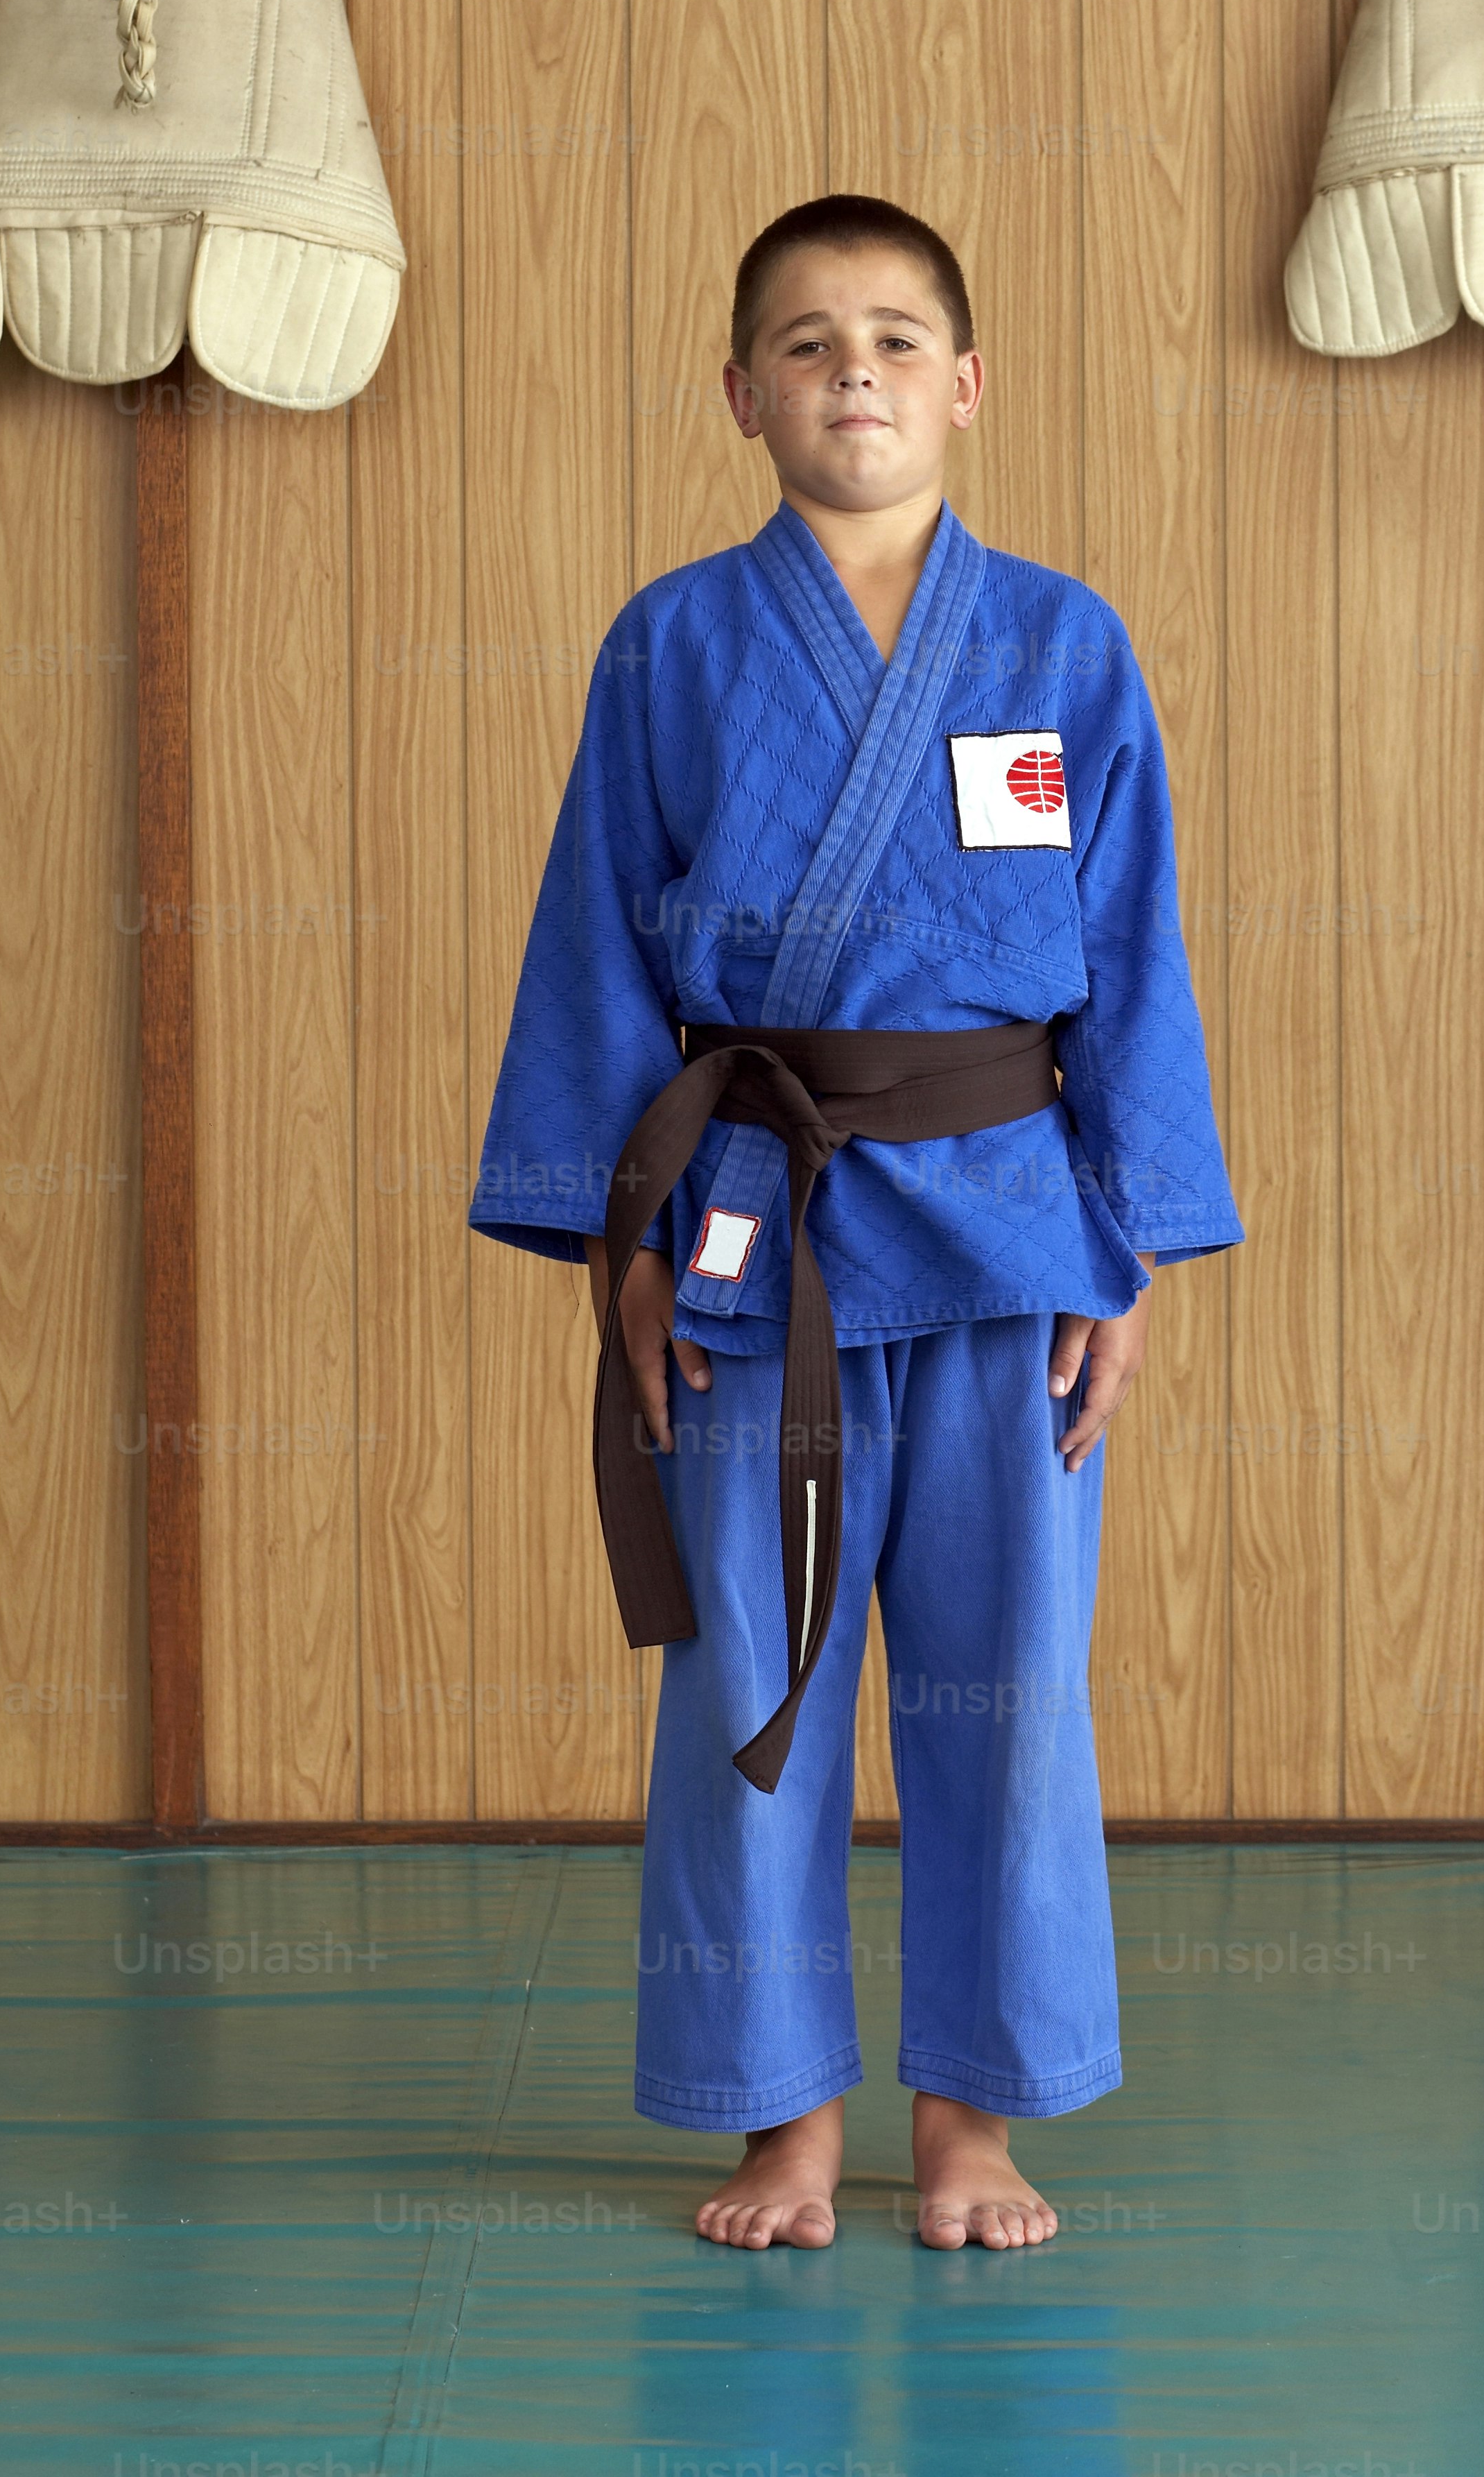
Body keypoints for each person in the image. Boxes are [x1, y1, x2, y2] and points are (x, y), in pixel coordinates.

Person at [469, 192, 1242, 2250]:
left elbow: (1134, 962)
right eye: (809, 345)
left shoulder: (1064, 644)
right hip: (750, 1229)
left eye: (898, 340)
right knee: (753, 1683)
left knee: (1008, 1686)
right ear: (743, 395)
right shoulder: (674, 645)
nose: (857, 375)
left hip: (1005, 1232)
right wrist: (618, 1255)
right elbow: (594, 964)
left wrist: (1131, 1243)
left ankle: (975, 2119)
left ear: (967, 386)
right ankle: (779, 2115)